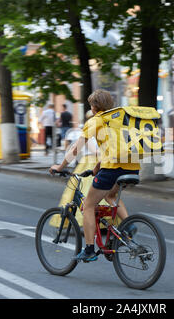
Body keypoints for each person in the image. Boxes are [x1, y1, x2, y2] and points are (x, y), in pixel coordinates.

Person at [50, 89, 139, 262]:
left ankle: (89, 249)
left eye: (91, 105)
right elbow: (115, 148)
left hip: (112, 169)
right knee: (111, 195)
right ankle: (128, 226)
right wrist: (98, 167)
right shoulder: (120, 119)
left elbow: (76, 148)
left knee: (88, 206)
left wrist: (60, 166)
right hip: (132, 167)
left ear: (94, 107)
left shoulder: (96, 121)